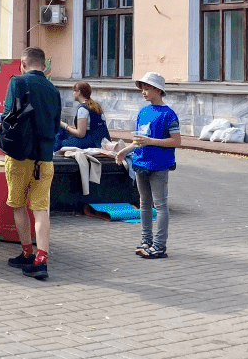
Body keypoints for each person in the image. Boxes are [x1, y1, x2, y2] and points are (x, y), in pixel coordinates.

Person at [2, 47, 60, 280]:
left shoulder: (17, 82)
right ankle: (41, 259)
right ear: (43, 65)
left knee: (18, 205)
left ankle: (27, 251)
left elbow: (10, 115)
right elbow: (56, 126)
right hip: (45, 157)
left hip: (19, 156)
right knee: (40, 209)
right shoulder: (53, 89)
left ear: (23, 63)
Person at [114, 72, 181, 259]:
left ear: (158, 90)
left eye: (147, 88)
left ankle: (159, 246)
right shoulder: (143, 112)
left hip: (159, 165)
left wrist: (150, 141)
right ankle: (146, 240)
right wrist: (125, 150)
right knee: (144, 204)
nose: (143, 92)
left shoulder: (168, 114)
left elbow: (176, 141)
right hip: (140, 163)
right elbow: (139, 140)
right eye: (142, 88)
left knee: (160, 205)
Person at [55, 81, 111, 151]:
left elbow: (80, 134)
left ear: (79, 92)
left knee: (61, 140)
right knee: (64, 133)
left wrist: (65, 126)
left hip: (92, 142)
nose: (73, 93)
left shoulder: (83, 109)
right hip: (101, 140)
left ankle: (53, 157)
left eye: (74, 91)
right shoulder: (95, 105)